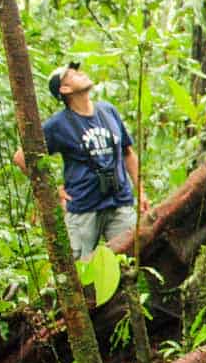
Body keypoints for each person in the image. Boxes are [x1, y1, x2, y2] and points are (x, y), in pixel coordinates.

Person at [13, 61, 149, 259]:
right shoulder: (58, 125)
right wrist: (53, 189)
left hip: (120, 203)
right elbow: (21, 157)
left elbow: (128, 152)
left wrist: (141, 191)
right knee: (79, 269)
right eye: (74, 74)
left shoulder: (108, 111)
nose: (82, 73)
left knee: (128, 264)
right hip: (84, 208)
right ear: (65, 89)